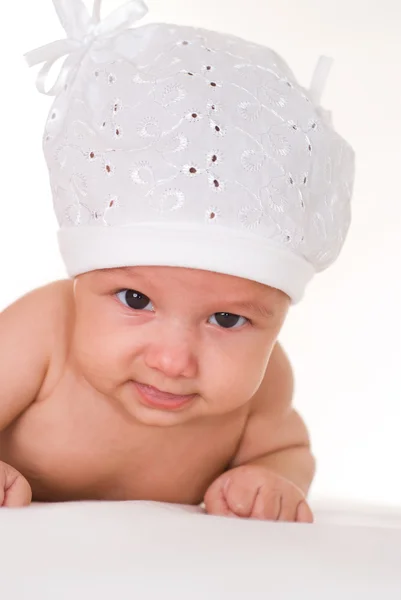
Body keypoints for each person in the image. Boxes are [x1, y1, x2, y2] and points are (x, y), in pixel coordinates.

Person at [0, 0, 354, 520]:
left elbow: (288, 451)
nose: (173, 362)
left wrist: (271, 478)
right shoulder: (44, 329)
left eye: (228, 319)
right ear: (81, 282)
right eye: (136, 299)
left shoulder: (267, 380)